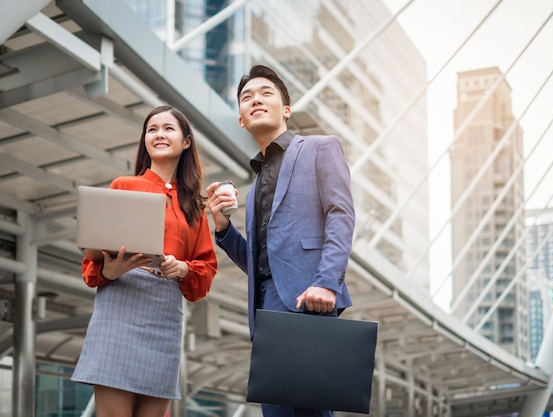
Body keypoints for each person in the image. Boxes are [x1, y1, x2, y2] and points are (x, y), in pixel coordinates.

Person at [206, 65, 355, 417]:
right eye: (246, 97)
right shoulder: (254, 185)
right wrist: (223, 226)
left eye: (265, 93)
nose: (255, 99)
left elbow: (341, 214)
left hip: (310, 301)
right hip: (265, 316)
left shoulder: (321, 148)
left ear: (286, 109)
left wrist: (326, 282)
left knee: (313, 413)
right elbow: (262, 262)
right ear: (241, 119)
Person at [72, 105, 218, 417]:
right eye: (152, 129)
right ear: (144, 140)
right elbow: (92, 262)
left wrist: (182, 268)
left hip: (164, 314)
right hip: (119, 309)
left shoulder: (194, 205)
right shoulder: (123, 185)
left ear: (186, 141)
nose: (159, 134)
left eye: (168, 128)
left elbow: (205, 270)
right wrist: (108, 271)